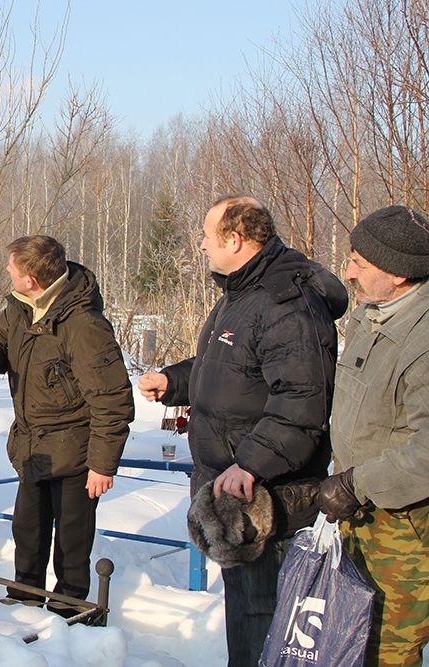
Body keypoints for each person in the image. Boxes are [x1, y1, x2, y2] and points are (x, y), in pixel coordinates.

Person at [137, 196, 347, 666]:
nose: (202, 246)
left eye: (207, 237)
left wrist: (250, 464)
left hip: (266, 499)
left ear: (235, 239)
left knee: (265, 624)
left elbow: (302, 402)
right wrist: (175, 381)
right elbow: (228, 370)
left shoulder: (284, 304)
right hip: (230, 493)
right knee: (246, 620)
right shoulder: (239, 296)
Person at [0, 235, 133, 614]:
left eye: (12, 267)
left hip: (76, 452)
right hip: (32, 447)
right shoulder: (20, 308)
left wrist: (102, 465)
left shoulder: (84, 325)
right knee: (27, 530)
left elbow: (113, 400)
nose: (6, 270)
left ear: (31, 279)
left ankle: (69, 610)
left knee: (72, 539)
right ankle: (23, 600)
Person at [314, 205, 429, 665]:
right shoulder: (370, 315)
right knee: (348, 643)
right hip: (357, 516)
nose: (348, 272)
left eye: (361, 262)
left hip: (405, 531)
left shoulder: (422, 341)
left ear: (400, 274)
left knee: (386, 651)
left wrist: (355, 484)